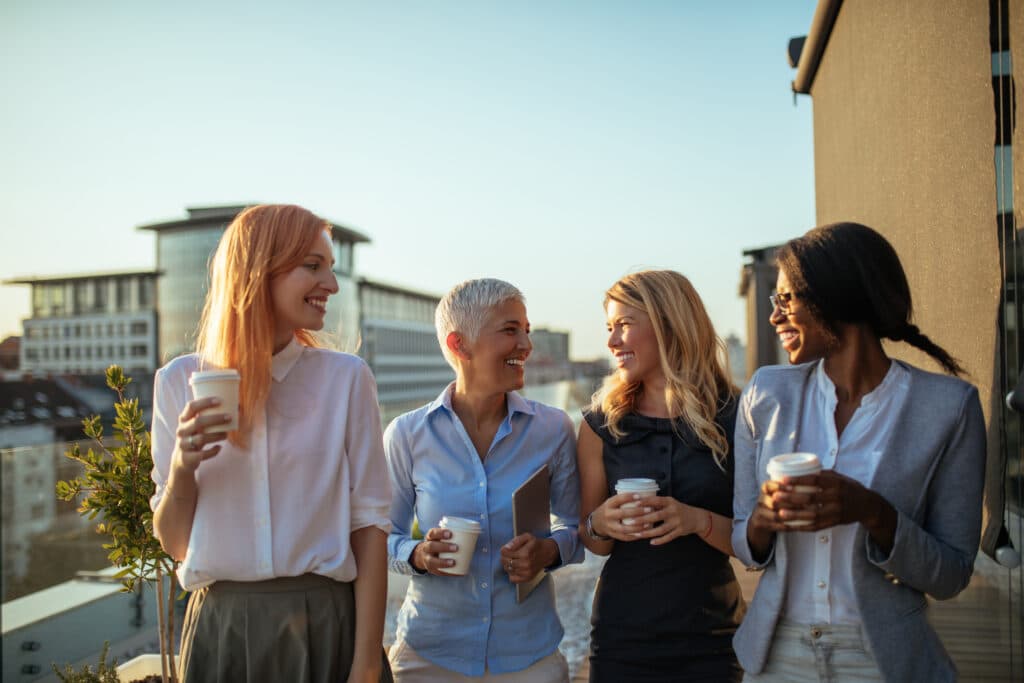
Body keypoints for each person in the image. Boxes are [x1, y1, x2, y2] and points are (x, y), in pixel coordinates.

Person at [732, 222, 987, 682]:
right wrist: (761, 521)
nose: (775, 317)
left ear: (834, 294)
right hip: (776, 656)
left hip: (884, 660)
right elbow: (744, 544)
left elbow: (951, 574)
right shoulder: (765, 395)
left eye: (785, 299)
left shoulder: (949, 408)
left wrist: (872, 512)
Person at [150, 204, 393, 683]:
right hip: (221, 631)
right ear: (259, 270)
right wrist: (182, 467)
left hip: (328, 623)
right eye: (313, 265)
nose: (332, 285)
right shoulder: (179, 381)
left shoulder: (346, 379)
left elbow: (370, 527)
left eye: (331, 268)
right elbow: (175, 544)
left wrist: (366, 662)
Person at [384, 278, 583, 682]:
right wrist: (418, 555)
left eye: (526, 331)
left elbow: (578, 528)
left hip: (530, 656)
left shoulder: (554, 429)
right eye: (510, 330)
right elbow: (380, 536)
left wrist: (547, 551)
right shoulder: (407, 435)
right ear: (460, 345)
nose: (526, 345)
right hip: (430, 658)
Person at [578, 269, 746, 682]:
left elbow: (755, 545)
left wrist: (696, 520)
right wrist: (601, 522)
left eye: (624, 325)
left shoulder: (737, 416)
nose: (611, 340)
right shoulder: (600, 424)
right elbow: (592, 540)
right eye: (609, 328)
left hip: (714, 636)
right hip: (622, 637)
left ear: (669, 323)